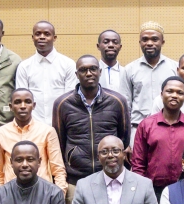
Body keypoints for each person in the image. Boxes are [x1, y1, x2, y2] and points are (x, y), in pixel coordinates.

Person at [53, 56, 130, 184]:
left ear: (100, 71)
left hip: (110, 176)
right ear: (76, 74)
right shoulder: (62, 104)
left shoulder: (118, 101)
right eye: (83, 70)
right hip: (75, 178)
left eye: (93, 69)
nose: (89, 73)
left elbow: (124, 138)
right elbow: (59, 142)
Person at [132, 77, 184, 194]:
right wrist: (141, 192)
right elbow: (138, 164)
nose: (174, 95)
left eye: (180, 93)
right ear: (161, 94)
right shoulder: (146, 125)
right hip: (154, 191)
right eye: (170, 91)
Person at [0, 89, 67, 188]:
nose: (23, 106)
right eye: (18, 102)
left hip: (42, 193)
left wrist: (58, 197)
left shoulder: (47, 131)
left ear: (34, 105)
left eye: (27, 102)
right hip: (11, 194)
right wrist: (1, 196)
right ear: (11, 106)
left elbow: (58, 170)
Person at [15, 20, 76, 126]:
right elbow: (21, 100)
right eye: (38, 34)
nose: (42, 37)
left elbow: (70, 101)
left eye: (47, 34)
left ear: (54, 38)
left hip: (60, 125)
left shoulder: (68, 64)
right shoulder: (24, 66)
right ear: (32, 37)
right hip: (33, 127)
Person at [123, 21, 177, 131]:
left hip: (168, 127)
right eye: (145, 39)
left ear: (162, 42)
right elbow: (125, 105)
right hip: (137, 128)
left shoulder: (175, 67)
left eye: (154, 39)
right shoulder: (130, 69)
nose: (149, 43)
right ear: (140, 42)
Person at [96, 29, 126, 96]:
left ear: (120, 47)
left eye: (115, 42)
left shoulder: (126, 72)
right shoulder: (91, 73)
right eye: (106, 42)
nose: (111, 45)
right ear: (98, 46)